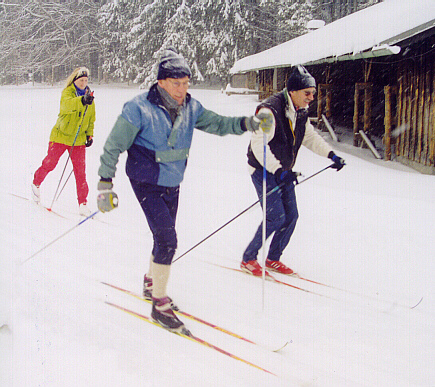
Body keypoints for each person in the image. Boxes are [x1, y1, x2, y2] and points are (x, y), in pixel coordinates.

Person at [96, 48, 268, 334]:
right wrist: (105, 184)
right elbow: (114, 145)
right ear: (162, 82)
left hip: (173, 181)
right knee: (168, 240)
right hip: (146, 180)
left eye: (187, 83)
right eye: (177, 83)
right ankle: (159, 307)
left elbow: (218, 123)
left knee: (162, 236)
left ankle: (152, 283)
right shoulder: (137, 108)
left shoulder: (191, 108)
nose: (183, 89)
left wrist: (248, 124)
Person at [241, 65, 345, 277]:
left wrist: (331, 155)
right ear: (293, 91)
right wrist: (278, 170)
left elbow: (309, 137)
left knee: (291, 216)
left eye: (313, 94)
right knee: (275, 217)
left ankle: (273, 259)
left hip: (283, 170)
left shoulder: (300, 112)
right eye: (307, 93)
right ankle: (248, 258)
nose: (311, 98)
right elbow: (258, 145)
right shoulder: (268, 111)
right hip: (262, 169)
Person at [32, 67, 95, 216]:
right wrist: (82, 100)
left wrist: (89, 135)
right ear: (75, 81)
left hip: (78, 139)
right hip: (60, 136)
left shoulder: (89, 97)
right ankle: (36, 183)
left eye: (86, 80)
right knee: (50, 163)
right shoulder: (67, 93)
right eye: (81, 80)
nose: (83, 83)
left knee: (80, 173)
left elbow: (91, 118)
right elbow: (67, 106)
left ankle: (83, 203)